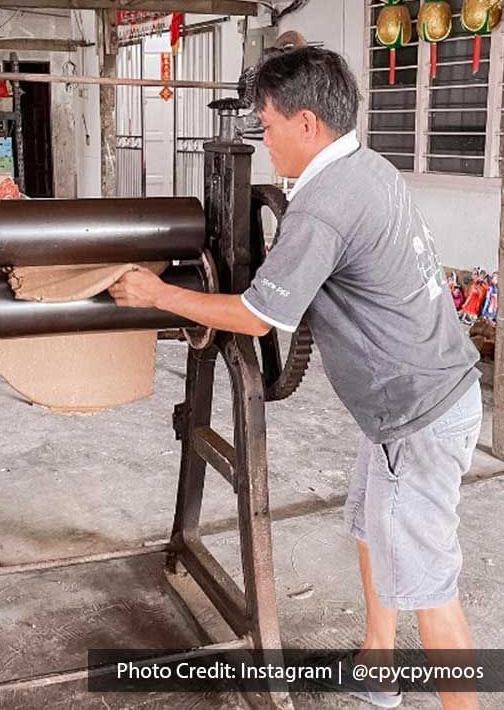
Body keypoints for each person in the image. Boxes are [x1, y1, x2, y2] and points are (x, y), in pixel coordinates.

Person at [109, 47, 482, 710]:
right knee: (373, 526)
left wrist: (158, 293)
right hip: (418, 402)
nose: (266, 140)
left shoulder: (323, 206)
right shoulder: (368, 169)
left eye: (269, 125)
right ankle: (378, 666)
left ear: (308, 124)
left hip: (418, 416)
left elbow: (257, 316)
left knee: (430, 585)